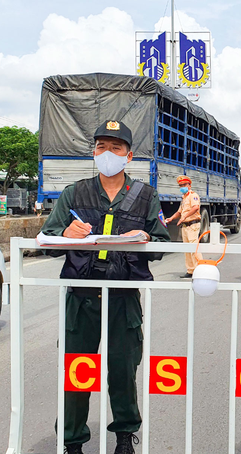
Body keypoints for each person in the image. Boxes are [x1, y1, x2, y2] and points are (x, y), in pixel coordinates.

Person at [40, 120, 170, 454]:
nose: (107, 153)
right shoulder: (75, 192)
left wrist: (143, 237)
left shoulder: (145, 196)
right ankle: (72, 442)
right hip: (82, 298)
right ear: (93, 152)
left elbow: (160, 244)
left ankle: (125, 437)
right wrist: (65, 234)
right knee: (78, 370)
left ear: (129, 156)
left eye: (115, 148)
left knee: (123, 371)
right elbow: (46, 236)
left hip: (123, 298)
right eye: (101, 147)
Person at [164, 175, 202, 278]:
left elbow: (195, 207)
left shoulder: (193, 196)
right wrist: (170, 219)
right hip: (185, 226)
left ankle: (200, 270)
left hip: (192, 224)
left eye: (184, 185)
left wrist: (184, 216)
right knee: (187, 249)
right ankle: (190, 270)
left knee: (194, 248)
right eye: (180, 185)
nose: (182, 187)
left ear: (189, 185)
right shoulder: (184, 198)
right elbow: (179, 212)